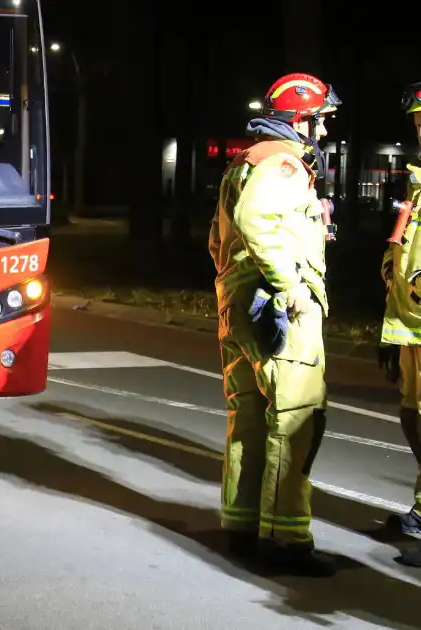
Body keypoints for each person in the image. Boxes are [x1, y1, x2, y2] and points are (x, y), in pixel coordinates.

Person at [207, 72, 340, 577]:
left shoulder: (247, 162)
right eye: (321, 122)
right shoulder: (283, 164)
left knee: (248, 416)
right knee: (295, 418)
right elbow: (256, 218)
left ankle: (240, 525)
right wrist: (290, 287)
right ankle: (287, 540)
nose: (324, 134)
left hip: (241, 303)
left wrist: (233, 291)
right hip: (280, 307)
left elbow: (218, 240)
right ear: (300, 119)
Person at [379, 82, 421, 565]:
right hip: (410, 321)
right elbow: (401, 251)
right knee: (414, 418)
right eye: (417, 120)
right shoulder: (417, 179)